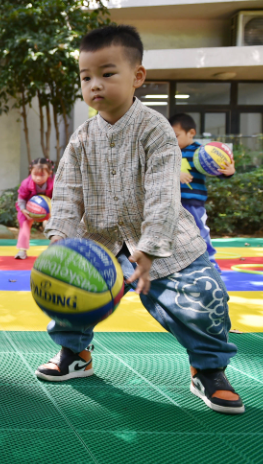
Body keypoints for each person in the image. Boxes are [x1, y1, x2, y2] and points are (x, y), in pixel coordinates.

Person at [40, 25, 244, 415]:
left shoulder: (157, 131)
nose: (94, 84)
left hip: (164, 241)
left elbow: (163, 195)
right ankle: (76, 351)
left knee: (207, 295)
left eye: (107, 73)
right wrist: (60, 238)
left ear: (138, 76)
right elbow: (66, 192)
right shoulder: (82, 138)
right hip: (99, 241)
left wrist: (149, 249)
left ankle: (208, 369)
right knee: (67, 285)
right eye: (86, 77)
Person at [169, 113, 233, 272]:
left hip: (193, 204)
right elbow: (159, 172)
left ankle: (210, 264)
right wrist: (176, 174)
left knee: (199, 233)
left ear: (191, 133)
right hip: (171, 203)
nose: (172, 139)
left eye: (176, 135)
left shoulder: (202, 152)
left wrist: (228, 172)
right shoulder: (169, 153)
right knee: (170, 235)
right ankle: (175, 267)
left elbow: (218, 171)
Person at [14, 158, 54, 260]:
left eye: (42, 175)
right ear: (30, 172)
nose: (38, 178)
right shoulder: (26, 183)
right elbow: (21, 199)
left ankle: (56, 249)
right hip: (28, 209)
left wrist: (53, 211)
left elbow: (58, 198)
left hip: (50, 209)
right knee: (24, 226)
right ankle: (22, 250)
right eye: (35, 175)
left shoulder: (54, 183)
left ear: (49, 173)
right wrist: (23, 209)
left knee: (56, 225)